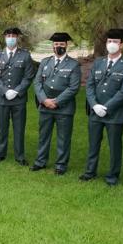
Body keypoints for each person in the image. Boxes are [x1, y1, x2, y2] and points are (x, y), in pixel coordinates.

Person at [79, 28, 123, 186]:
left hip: (114, 113)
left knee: (115, 146)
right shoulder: (98, 62)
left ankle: (113, 175)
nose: (112, 44)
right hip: (95, 111)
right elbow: (89, 85)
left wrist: (106, 107)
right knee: (93, 143)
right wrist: (94, 105)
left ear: (122, 45)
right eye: (109, 41)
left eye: (115, 42)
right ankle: (90, 171)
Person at [31, 32, 81, 175]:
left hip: (64, 108)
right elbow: (37, 82)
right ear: (53, 46)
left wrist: (57, 102)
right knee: (43, 136)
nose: (59, 47)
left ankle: (61, 165)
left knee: (63, 138)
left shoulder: (73, 64)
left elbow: (73, 88)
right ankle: (40, 161)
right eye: (56, 44)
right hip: (45, 106)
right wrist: (44, 100)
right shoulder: (45, 62)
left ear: (66, 45)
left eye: (61, 44)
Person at [0, 27, 35, 165]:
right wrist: (4, 91)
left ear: (17, 38)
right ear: (4, 38)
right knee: (3, 128)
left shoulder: (25, 56)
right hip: (2, 99)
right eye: (8, 35)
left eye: (13, 36)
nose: (11, 38)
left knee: (19, 128)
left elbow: (28, 77)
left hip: (18, 99)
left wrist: (16, 91)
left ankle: (20, 156)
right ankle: (0, 154)